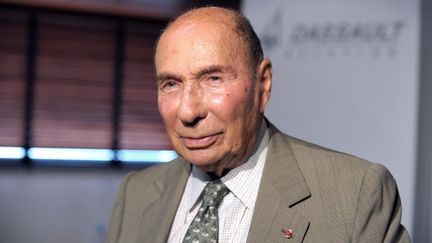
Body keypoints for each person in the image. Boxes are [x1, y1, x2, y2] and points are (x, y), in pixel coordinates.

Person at [108, 6, 410, 243]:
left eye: (213, 79)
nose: (188, 111)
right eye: (171, 84)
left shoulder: (354, 195)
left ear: (262, 83)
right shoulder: (137, 194)